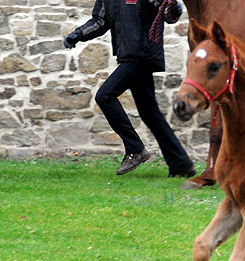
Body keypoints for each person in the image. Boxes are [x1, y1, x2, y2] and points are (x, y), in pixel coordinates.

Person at [63, 0, 196, 177]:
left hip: (143, 54)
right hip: (129, 55)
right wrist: (77, 35)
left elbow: (168, 14)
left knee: (105, 96)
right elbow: (99, 22)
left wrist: (173, 6)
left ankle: (135, 149)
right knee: (150, 114)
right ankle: (181, 165)